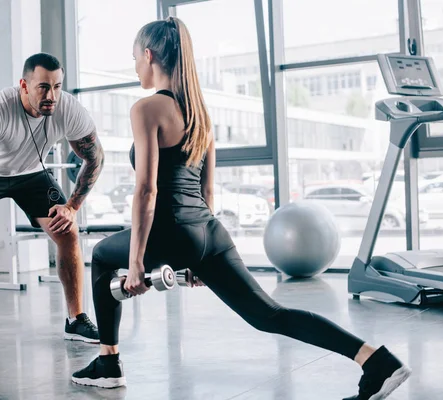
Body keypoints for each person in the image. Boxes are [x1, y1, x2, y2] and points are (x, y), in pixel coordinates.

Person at [70, 17, 412, 399]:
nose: (135, 67)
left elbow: (146, 191)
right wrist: (198, 257)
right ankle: (375, 360)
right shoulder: (200, 113)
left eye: (134, 58)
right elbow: (207, 190)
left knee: (101, 255)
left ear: (148, 56)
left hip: (173, 230)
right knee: (269, 315)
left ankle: (108, 363)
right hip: (209, 232)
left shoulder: (147, 109)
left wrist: (135, 264)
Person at [0, 53, 103, 357]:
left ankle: (76, 319)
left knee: (68, 232)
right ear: (23, 85)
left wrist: (72, 208)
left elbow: (95, 157)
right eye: (42, 87)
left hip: (31, 175)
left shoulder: (68, 109)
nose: (51, 96)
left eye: (57, 86)